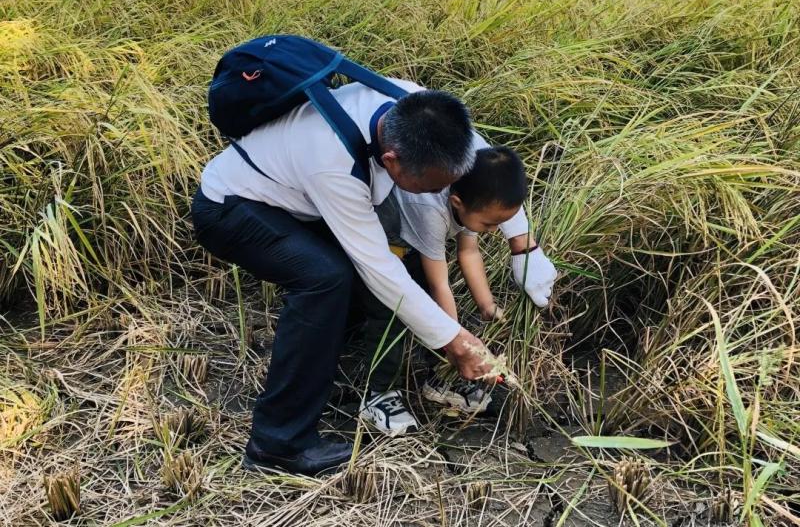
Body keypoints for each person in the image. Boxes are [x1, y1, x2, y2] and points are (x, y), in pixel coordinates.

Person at [191, 77, 557, 475]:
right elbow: (380, 269)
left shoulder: (418, 107)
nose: (439, 194)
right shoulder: (334, 165)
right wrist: (456, 342)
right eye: (429, 187)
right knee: (325, 279)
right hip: (234, 206)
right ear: (392, 163)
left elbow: (486, 158)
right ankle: (278, 443)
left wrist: (524, 247)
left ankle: (338, 354)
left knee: (371, 276)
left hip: (298, 198)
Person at [361, 144, 554, 435]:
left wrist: (486, 304)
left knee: (435, 311)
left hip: (419, 245)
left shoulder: (474, 193)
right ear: (457, 202)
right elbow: (440, 284)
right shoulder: (430, 210)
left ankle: (440, 379)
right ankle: (378, 394)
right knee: (394, 309)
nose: (493, 230)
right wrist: (457, 343)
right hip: (386, 241)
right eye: (490, 223)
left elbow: (469, 251)